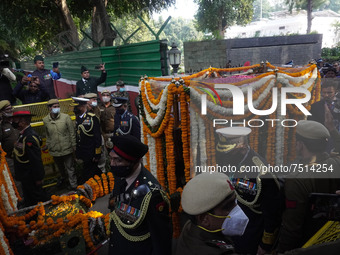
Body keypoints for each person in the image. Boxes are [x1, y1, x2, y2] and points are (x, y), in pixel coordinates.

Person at [215, 127, 282, 255]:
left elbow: (272, 214)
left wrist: (265, 245)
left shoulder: (261, 172)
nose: (225, 154)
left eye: (230, 151)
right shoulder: (227, 157)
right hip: (228, 230)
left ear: (242, 145)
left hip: (251, 234)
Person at [278, 120, 340, 253]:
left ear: (300, 145)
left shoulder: (297, 180)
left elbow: (292, 228)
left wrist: (282, 251)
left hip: (307, 245)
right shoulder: (336, 162)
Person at [107, 135, 172, 255]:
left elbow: (161, 243)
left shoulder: (153, 195)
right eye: (111, 158)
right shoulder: (121, 174)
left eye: (118, 160)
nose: (112, 164)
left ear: (133, 162)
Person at [176, 172, 247, 255]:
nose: (237, 209)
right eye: (227, 206)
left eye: (235, 201)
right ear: (204, 219)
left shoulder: (192, 226)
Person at [12, 108, 49, 207]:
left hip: (31, 176)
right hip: (25, 176)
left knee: (36, 200)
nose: (13, 122)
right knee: (30, 200)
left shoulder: (30, 137)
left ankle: (42, 218)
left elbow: (36, 160)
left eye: (15, 120)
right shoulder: (22, 135)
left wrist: (38, 178)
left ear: (23, 121)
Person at [43, 99, 77, 190]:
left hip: (66, 147)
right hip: (55, 149)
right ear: (49, 108)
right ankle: (65, 183)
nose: (57, 108)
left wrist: (74, 145)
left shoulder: (66, 117)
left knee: (70, 168)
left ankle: (74, 185)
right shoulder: (46, 120)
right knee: (61, 169)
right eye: (54, 107)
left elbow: (72, 132)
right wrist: (48, 144)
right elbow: (48, 135)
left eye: (58, 106)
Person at [71, 97, 102, 182]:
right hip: (83, 151)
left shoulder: (92, 118)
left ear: (81, 106)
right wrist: (78, 152)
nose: (74, 109)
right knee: (89, 172)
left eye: (76, 107)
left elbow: (97, 136)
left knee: (91, 173)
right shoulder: (78, 118)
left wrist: (97, 153)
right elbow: (78, 136)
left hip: (91, 151)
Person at [0, 100, 22, 196]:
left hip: (22, 155)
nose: (10, 111)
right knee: (16, 179)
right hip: (10, 158)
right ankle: (21, 198)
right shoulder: (1, 125)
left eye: (10, 108)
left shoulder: (16, 121)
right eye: (7, 109)